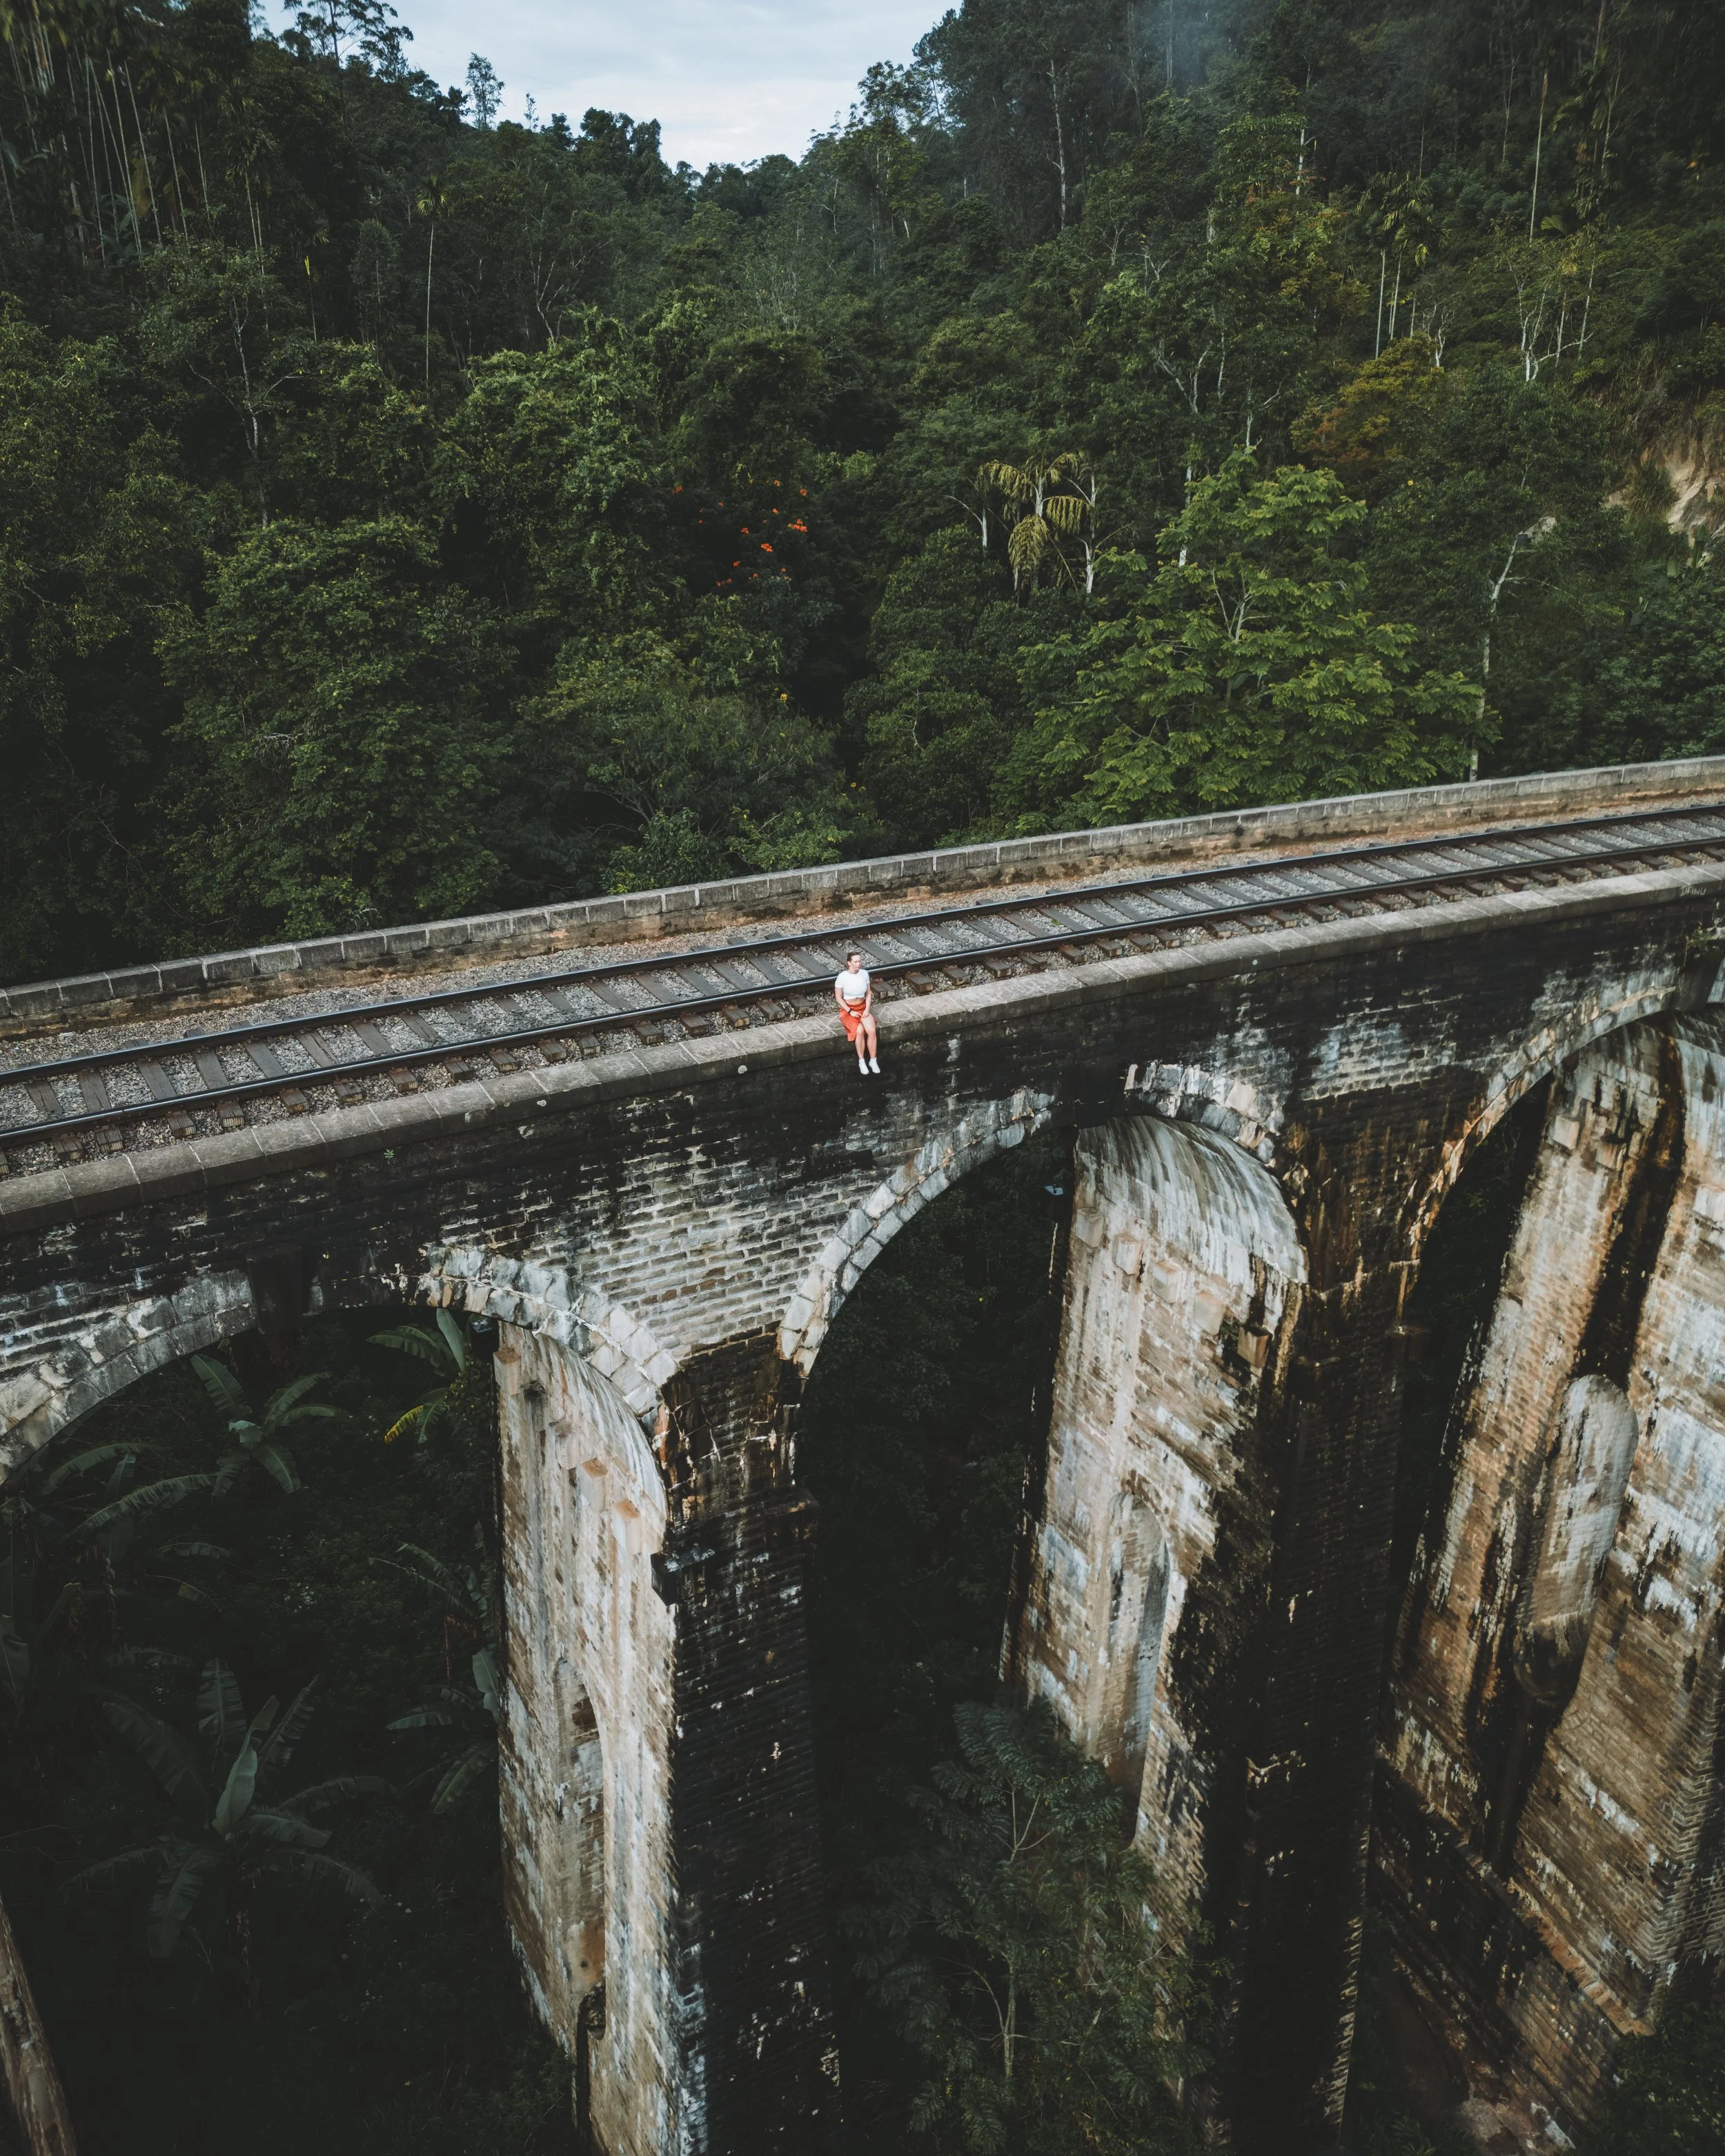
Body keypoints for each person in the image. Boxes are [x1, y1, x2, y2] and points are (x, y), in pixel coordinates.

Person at [834, 950, 880, 1075]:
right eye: (856, 962)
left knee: (871, 1030)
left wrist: (867, 1009)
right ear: (849, 963)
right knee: (860, 1031)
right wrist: (850, 1011)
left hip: (862, 1007)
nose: (858, 964)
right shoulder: (842, 977)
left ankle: (873, 1060)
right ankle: (861, 1061)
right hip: (848, 1010)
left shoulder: (864, 974)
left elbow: (868, 993)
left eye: (860, 961)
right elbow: (838, 997)